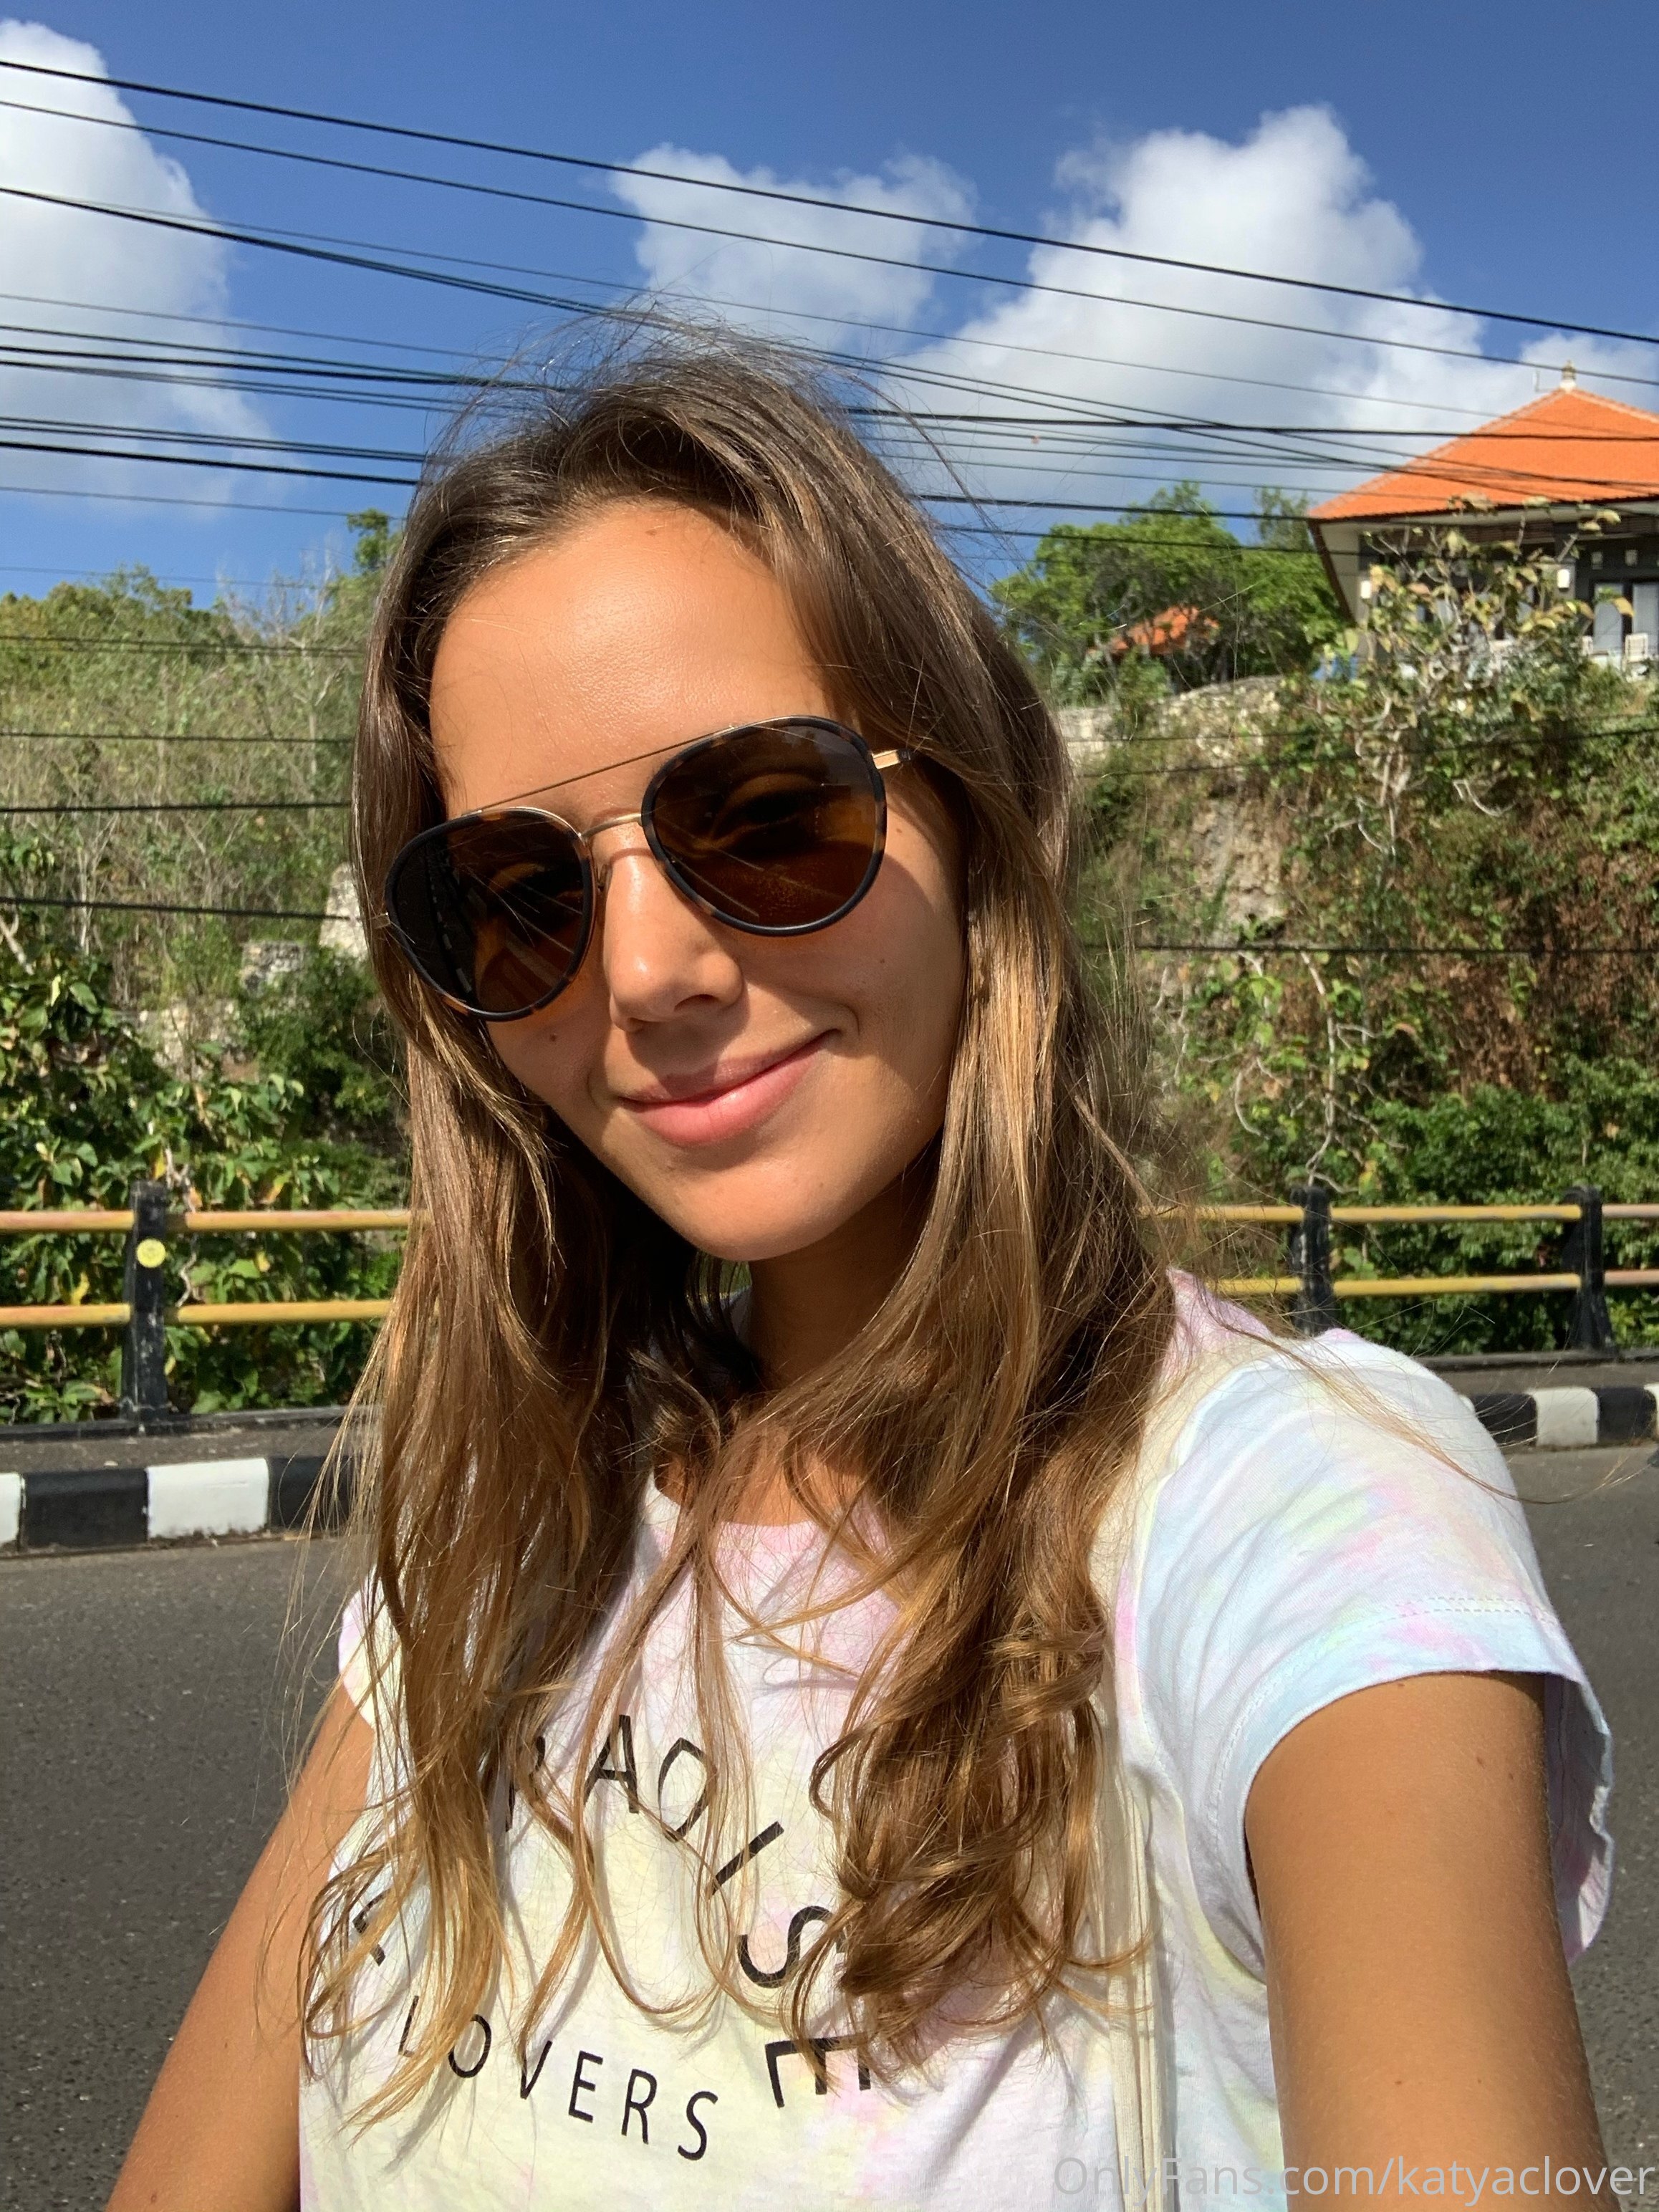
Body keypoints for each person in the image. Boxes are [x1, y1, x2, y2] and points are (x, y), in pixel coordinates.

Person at [110, 341, 1614, 2212]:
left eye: (763, 817)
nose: (645, 973)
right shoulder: (497, 1527)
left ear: (976, 815)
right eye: (517, 896)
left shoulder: (1286, 1514)